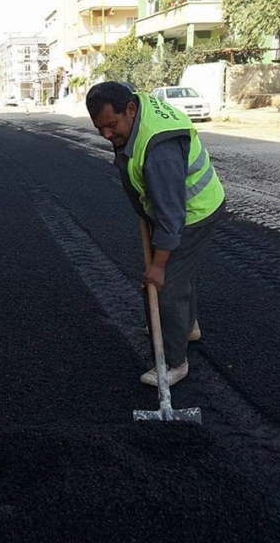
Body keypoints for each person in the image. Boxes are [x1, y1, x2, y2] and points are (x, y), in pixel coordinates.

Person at [85, 82, 225, 387]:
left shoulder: (159, 152)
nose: (106, 135)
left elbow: (172, 218)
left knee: (164, 286)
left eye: (111, 126)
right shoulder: (135, 106)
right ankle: (187, 328)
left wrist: (158, 267)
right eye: (100, 128)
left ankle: (175, 363)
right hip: (178, 207)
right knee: (177, 273)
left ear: (130, 110)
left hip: (195, 212)